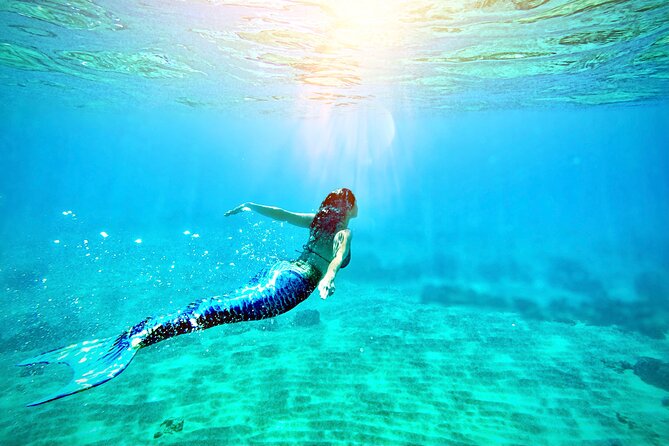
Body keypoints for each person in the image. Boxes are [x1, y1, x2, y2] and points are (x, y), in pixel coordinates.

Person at [19, 188, 357, 406]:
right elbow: (338, 258)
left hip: (281, 272)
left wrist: (251, 205)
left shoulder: (318, 221)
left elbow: (281, 213)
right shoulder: (342, 230)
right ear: (349, 208)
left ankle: (141, 334)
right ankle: (138, 337)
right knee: (221, 312)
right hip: (291, 287)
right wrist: (326, 281)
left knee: (222, 306)